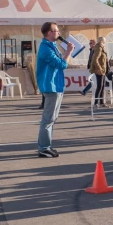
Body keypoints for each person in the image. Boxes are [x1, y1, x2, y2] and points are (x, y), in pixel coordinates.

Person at [36, 22, 74, 158]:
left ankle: (47, 146)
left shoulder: (52, 46)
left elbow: (60, 62)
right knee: (48, 119)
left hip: (56, 85)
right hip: (50, 86)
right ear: (49, 33)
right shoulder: (45, 48)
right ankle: (43, 148)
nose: (58, 33)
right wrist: (69, 52)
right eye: (56, 31)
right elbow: (61, 64)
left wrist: (66, 52)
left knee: (52, 118)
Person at [90, 36, 109, 108]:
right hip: (99, 71)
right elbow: (95, 59)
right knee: (99, 86)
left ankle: (102, 102)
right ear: (102, 41)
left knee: (102, 86)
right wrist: (99, 68)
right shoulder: (98, 48)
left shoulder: (101, 48)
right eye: (104, 41)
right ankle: (96, 102)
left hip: (103, 70)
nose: (105, 42)